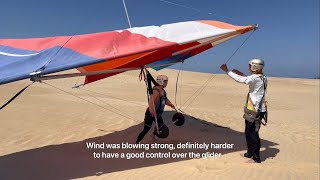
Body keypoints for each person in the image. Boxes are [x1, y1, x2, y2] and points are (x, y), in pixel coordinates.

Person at [220, 58, 268, 163]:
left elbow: (242, 80)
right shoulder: (261, 77)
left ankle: (256, 158)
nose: (248, 68)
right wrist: (241, 73)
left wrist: (227, 71)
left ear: (255, 67)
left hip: (255, 110)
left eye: (250, 66)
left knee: (253, 134)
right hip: (252, 109)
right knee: (248, 132)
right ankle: (249, 153)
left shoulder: (256, 78)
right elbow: (250, 80)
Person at [136, 75, 175, 144]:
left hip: (157, 113)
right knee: (146, 129)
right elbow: (151, 102)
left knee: (161, 125)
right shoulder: (156, 91)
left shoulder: (163, 91)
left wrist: (171, 105)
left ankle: (153, 135)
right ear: (161, 81)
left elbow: (165, 99)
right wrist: (152, 112)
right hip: (151, 113)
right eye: (165, 82)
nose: (166, 83)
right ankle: (137, 143)